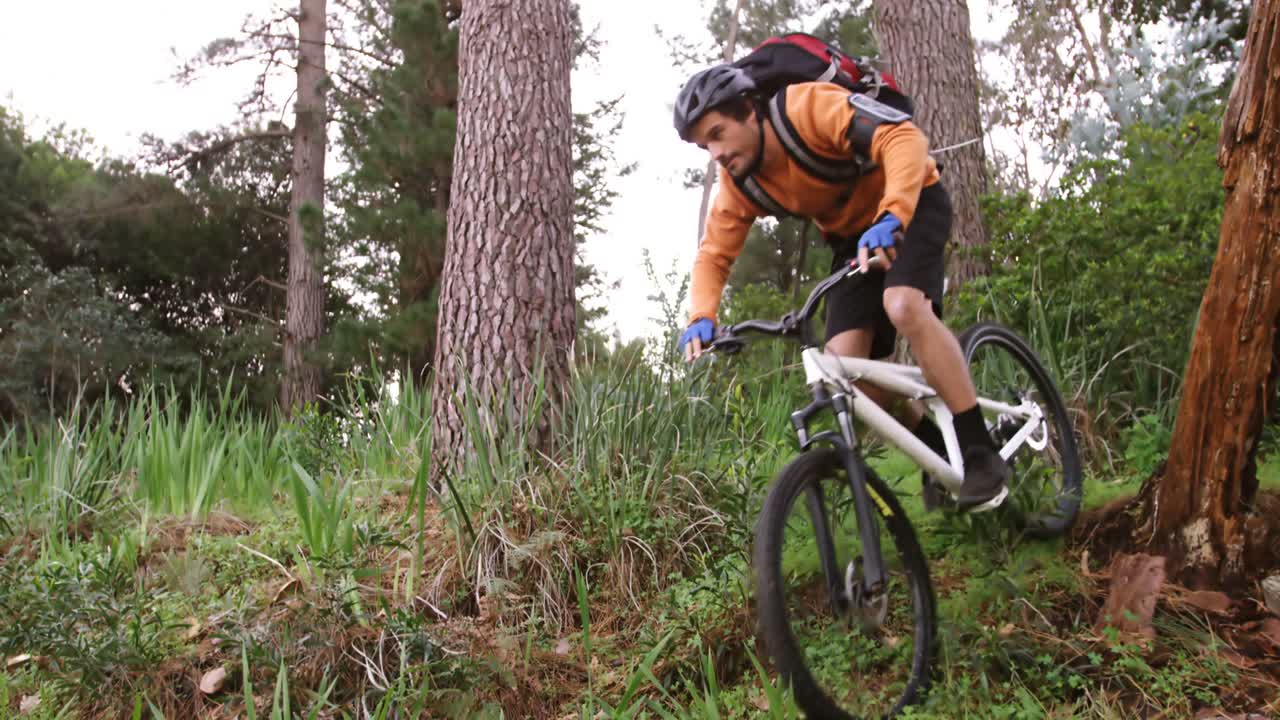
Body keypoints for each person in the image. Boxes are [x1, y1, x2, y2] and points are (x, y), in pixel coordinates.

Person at [673, 64, 1008, 510]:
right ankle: (936, 447)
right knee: (845, 382)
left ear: (749, 112)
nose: (714, 153)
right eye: (704, 145)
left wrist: (893, 215)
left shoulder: (805, 108)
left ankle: (978, 448)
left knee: (903, 305)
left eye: (717, 133)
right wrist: (702, 316)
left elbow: (903, 138)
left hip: (910, 199)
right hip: (854, 242)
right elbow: (713, 256)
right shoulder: (740, 183)